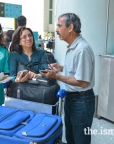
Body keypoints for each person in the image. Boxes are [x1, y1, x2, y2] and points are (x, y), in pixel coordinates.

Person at [41, 13, 95, 144]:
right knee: (70, 138)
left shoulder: (82, 49)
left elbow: (82, 82)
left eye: (59, 26)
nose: (56, 30)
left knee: (80, 139)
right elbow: (77, 71)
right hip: (72, 99)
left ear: (70, 27)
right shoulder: (73, 47)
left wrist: (56, 76)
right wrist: (60, 68)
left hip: (81, 100)